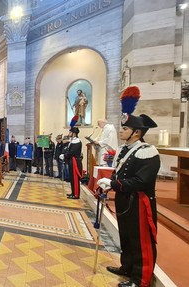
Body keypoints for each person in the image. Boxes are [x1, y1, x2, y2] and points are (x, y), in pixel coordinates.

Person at [97, 86, 160, 287]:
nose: (121, 131)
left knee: (141, 239)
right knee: (126, 234)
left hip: (140, 202)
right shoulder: (125, 150)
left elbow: (142, 181)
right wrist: (108, 185)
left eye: (124, 129)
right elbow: (119, 172)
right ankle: (127, 267)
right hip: (126, 198)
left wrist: (113, 183)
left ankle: (140, 278)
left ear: (137, 132)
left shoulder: (147, 151)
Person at [60, 125, 82, 199]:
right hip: (71, 161)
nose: (69, 133)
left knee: (75, 178)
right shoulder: (72, 141)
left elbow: (72, 152)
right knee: (72, 178)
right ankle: (73, 192)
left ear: (74, 133)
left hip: (75, 161)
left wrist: (65, 156)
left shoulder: (77, 141)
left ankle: (76, 194)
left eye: (70, 132)